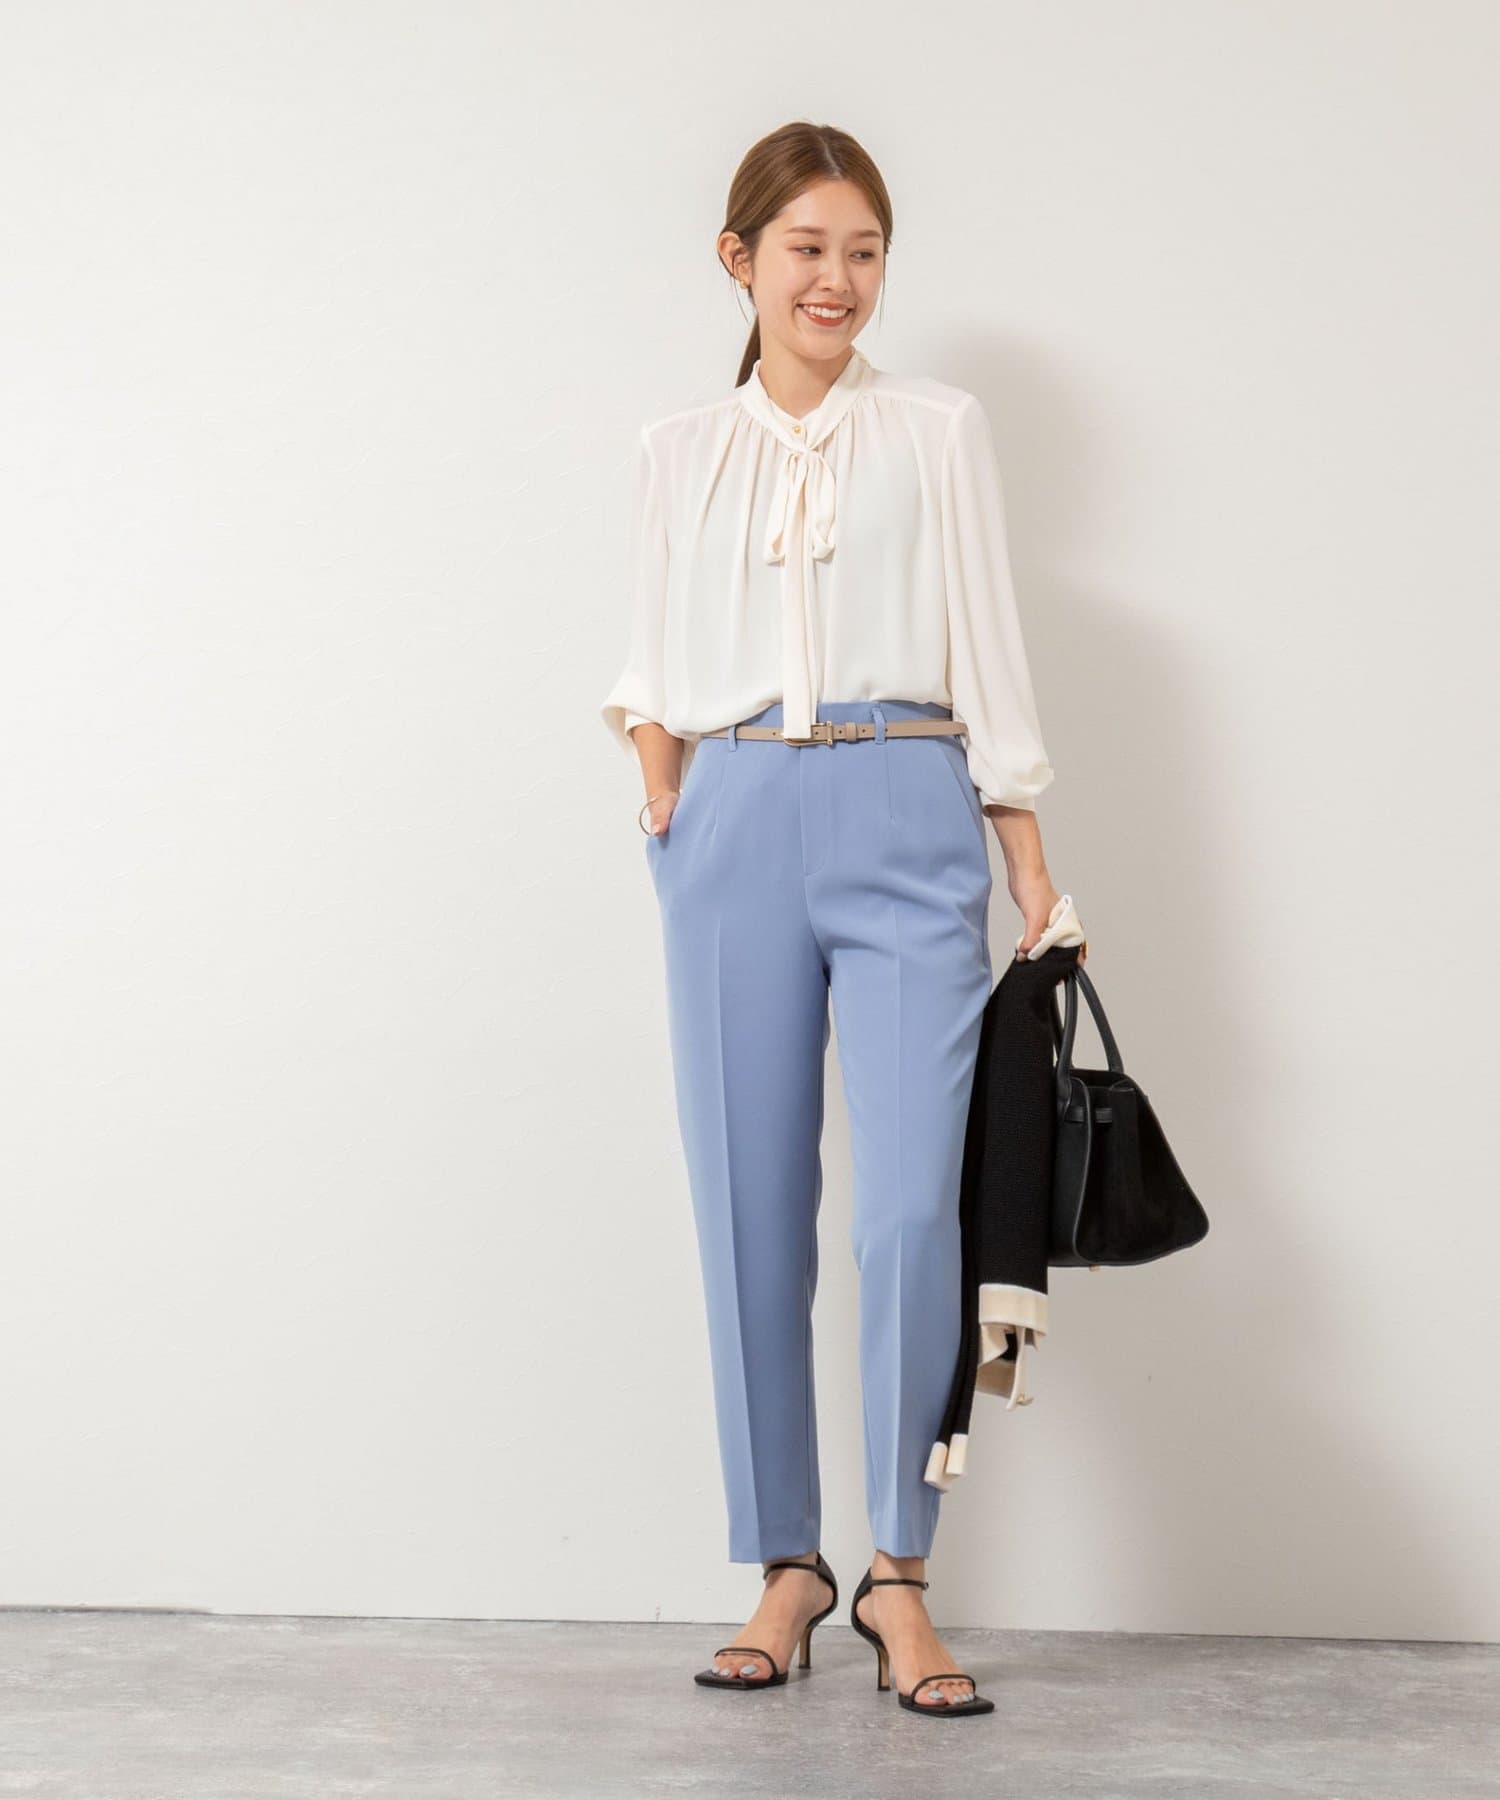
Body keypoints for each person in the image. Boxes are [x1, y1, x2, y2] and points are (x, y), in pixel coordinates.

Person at [601, 121, 1084, 1717]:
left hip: (905, 804)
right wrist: (667, 797)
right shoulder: (679, 448)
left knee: (910, 1214)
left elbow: (988, 646)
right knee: (746, 1206)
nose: (838, 280)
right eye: (807, 248)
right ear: (739, 260)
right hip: (731, 816)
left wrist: (1027, 861)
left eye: (864, 250)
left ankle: (898, 1576)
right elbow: (649, 660)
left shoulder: (937, 430)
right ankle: (784, 1565)